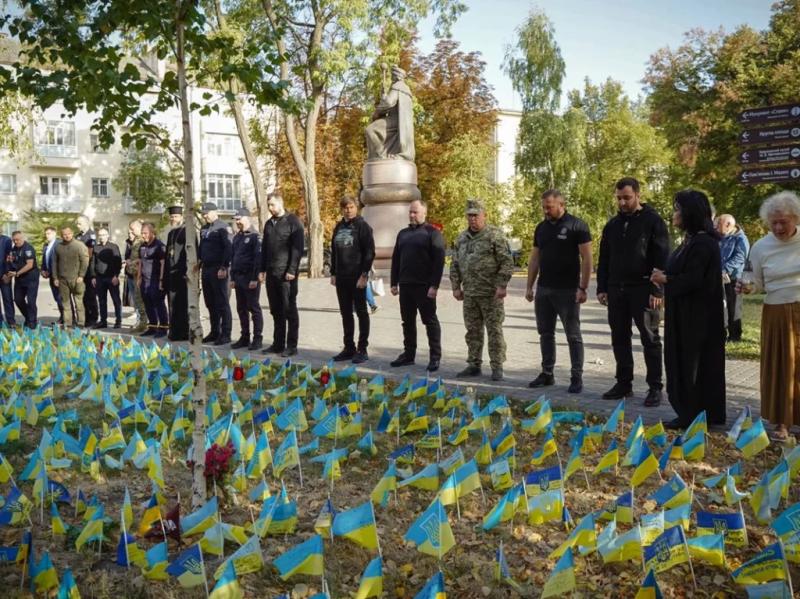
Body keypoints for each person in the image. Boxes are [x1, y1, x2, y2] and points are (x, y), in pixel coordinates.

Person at [651, 189, 726, 429]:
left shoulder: (703, 242)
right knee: (683, 363)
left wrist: (666, 280)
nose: (674, 214)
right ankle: (689, 412)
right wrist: (665, 275)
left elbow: (694, 279)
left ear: (690, 213)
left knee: (694, 365)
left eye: (678, 210)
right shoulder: (692, 240)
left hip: (697, 318)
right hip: (685, 313)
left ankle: (694, 414)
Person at [596, 177, 670, 406]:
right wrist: (601, 287)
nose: (622, 203)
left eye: (627, 198)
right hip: (616, 289)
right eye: (619, 198)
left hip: (644, 289)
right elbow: (605, 258)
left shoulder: (653, 222)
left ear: (638, 195)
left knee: (650, 338)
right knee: (619, 337)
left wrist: (657, 291)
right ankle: (624, 383)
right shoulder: (612, 225)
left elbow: (662, 257)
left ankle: (655, 387)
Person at [740, 191, 800, 440]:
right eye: (773, 222)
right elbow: (755, 282)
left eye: (783, 222)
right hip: (776, 310)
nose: (778, 227)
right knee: (781, 366)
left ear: (795, 218)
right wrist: (747, 287)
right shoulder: (761, 246)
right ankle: (782, 422)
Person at [525, 189, 592, 394]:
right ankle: (547, 373)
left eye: (549, 207)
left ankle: (576, 376)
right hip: (545, 289)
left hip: (568, 290)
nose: (546, 210)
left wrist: (583, 287)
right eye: (544, 206)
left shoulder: (577, 226)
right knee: (545, 332)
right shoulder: (541, 228)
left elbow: (587, 258)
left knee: (573, 334)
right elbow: (535, 258)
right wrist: (529, 286)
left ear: (561, 205)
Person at [450, 199, 514, 381]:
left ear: (484, 215)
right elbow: (454, 264)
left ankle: (497, 366)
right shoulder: (461, 238)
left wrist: (502, 285)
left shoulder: (495, 235)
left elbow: (507, 262)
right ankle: (473, 364)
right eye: (469, 215)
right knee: (472, 331)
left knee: (494, 331)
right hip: (470, 294)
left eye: (475, 215)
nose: (472, 219)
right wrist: (456, 287)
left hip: (490, 293)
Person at [389, 199, 445, 372]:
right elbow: (396, 259)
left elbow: (439, 261)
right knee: (407, 321)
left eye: (415, 212)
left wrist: (434, 286)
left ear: (424, 213)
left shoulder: (432, 233)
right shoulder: (403, 233)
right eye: (410, 212)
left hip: (424, 286)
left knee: (430, 321)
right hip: (406, 284)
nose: (412, 215)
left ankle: (435, 357)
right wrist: (393, 282)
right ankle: (408, 354)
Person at [329, 196, 375, 364]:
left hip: (357, 278)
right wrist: (333, 273)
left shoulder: (363, 227)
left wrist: (364, 275)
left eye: (351, 207)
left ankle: (362, 349)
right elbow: (333, 251)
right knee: (345, 313)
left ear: (357, 208)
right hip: (341, 278)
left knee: (361, 312)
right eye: (345, 207)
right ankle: (349, 347)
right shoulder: (338, 227)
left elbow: (370, 252)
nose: (348, 210)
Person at [259, 193, 304, 357]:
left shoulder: (293, 221)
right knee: (275, 310)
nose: (270, 208)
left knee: (289, 309)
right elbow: (264, 248)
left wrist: (292, 270)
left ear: (280, 202)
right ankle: (278, 344)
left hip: (286, 274)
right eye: (268, 205)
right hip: (271, 273)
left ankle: (292, 345)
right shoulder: (268, 224)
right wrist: (261, 269)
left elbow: (297, 248)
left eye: (272, 204)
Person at [365, 65, 415, 161]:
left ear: (397, 77)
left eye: (393, 76)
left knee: (370, 130)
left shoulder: (398, 87)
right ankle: (381, 154)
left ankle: (378, 155)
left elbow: (388, 103)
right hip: (401, 121)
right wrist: (384, 96)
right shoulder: (405, 89)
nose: (392, 78)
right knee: (373, 130)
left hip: (396, 120)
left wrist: (378, 111)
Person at [199, 203, 233, 345]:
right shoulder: (204, 228)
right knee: (210, 303)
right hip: (206, 269)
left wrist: (224, 267)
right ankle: (215, 332)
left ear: (215, 212)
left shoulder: (223, 227)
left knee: (222, 303)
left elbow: (229, 248)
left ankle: (226, 334)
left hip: (219, 269)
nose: (205, 216)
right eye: (203, 213)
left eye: (207, 213)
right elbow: (203, 247)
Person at [230, 208, 263, 351]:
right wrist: (232, 278)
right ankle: (244, 337)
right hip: (238, 277)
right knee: (241, 308)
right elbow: (233, 258)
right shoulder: (237, 237)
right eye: (236, 220)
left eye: (239, 219)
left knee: (253, 308)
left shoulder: (255, 236)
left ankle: (257, 338)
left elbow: (258, 259)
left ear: (247, 218)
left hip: (250, 278)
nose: (237, 222)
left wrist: (255, 278)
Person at [717, 214, 750, 342]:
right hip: (722, 278)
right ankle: (724, 334)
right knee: (724, 307)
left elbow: (740, 257)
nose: (716, 228)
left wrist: (725, 269)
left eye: (719, 225)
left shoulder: (741, 239)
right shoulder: (722, 238)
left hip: (734, 278)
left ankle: (735, 336)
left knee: (734, 307)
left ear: (728, 225)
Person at [52, 226, 89, 327]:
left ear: (72, 234)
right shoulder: (58, 247)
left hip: (76, 279)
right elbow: (54, 263)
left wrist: (81, 275)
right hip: (62, 280)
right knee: (65, 303)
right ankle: (68, 323)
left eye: (68, 234)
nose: (67, 236)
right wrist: (55, 277)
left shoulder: (79, 246)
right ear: (61, 236)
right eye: (64, 234)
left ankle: (81, 323)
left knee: (79, 302)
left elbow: (85, 261)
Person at [138, 222, 168, 337]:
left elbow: (163, 263)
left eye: (145, 233)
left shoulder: (159, 246)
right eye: (142, 233)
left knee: (158, 303)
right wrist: (139, 277)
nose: (143, 235)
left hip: (155, 280)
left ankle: (164, 328)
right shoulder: (142, 246)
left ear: (152, 233)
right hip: (144, 280)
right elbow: (141, 262)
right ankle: (153, 327)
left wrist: (161, 280)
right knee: (148, 304)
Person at [165, 206, 189, 341]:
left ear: (181, 217)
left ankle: (183, 332)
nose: (173, 219)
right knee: (172, 304)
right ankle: (173, 331)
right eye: (171, 217)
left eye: (175, 216)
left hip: (182, 274)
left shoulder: (187, 232)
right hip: (171, 274)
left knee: (182, 304)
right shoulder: (171, 233)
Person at [5, 231, 39, 328]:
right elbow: (12, 262)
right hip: (19, 280)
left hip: (31, 279)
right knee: (18, 300)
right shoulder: (14, 249)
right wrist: (9, 273)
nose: (16, 242)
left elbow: (30, 264)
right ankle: (28, 318)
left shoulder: (28, 248)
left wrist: (17, 273)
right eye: (14, 240)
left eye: (17, 239)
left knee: (31, 301)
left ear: (22, 238)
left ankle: (32, 323)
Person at [90, 228, 122, 329]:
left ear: (108, 235)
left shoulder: (113, 247)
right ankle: (103, 321)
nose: (101, 237)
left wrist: (116, 276)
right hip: (100, 278)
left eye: (103, 235)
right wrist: (93, 276)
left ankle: (118, 321)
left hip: (112, 278)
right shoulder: (96, 247)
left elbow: (118, 262)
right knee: (102, 301)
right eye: (100, 235)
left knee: (116, 300)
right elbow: (93, 262)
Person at [123, 219, 148, 333]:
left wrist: (138, 274)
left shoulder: (142, 240)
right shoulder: (137, 240)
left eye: (133, 229)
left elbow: (143, 259)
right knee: (137, 301)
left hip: (140, 275)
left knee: (141, 301)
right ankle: (141, 323)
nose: (131, 231)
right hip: (133, 274)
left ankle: (144, 324)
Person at [76, 215, 99, 327]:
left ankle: (93, 318)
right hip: (79, 270)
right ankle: (85, 318)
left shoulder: (91, 236)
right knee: (83, 296)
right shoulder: (78, 236)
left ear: (86, 223)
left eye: (79, 223)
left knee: (90, 295)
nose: (77, 225)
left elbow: (90, 254)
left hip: (89, 270)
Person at [41, 226, 65, 324]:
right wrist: (43, 270)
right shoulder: (46, 246)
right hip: (51, 276)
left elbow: (62, 261)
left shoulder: (59, 244)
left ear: (55, 233)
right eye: (46, 233)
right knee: (57, 297)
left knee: (62, 298)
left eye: (49, 233)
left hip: (59, 276)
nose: (47, 235)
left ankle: (67, 318)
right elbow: (44, 261)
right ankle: (62, 316)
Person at [0, 231, 15, 326]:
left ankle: (11, 321)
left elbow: (9, 258)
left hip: (4, 275)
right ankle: (0, 322)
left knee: (7, 298)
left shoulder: (6, 240)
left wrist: (8, 273)